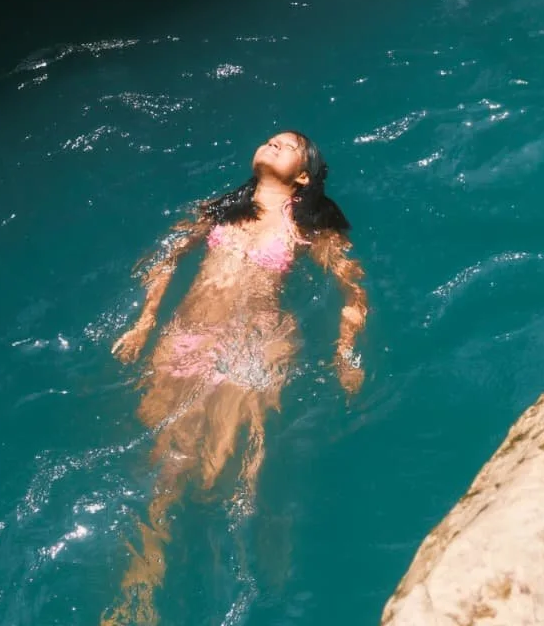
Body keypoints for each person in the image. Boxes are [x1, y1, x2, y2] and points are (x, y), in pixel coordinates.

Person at [102, 130, 368, 626]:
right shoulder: (221, 209)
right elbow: (165, 259)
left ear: (303, 176)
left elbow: (353, 289)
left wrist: (345, 353)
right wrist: (144, 321)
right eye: (271, 139)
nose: (273, 143)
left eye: (288, 145)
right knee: (166, 467)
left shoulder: (311, 225)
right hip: (189, 336)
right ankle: (139, 588)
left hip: (255, 344)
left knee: (232, 469)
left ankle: (255, 563)